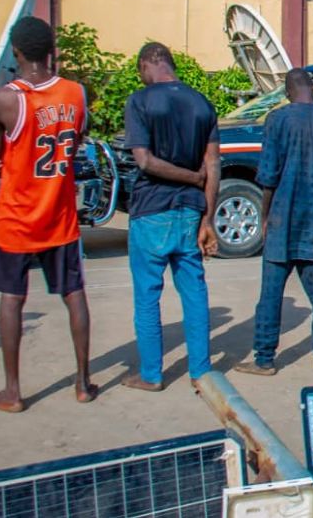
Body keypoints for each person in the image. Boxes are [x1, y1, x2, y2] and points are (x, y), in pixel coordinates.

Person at [0, 17, 96, 412]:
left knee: (12, 300)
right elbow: (76, 137)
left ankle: (12, 392)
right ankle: (83, 383)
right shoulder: (77, 93)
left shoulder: (2, 99)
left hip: (16, 218)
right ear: (52, 51)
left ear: (16, 52)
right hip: (60, 217)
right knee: (73, 295)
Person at [121, 42, 220, 391]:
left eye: (140, 71)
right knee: (194, 291)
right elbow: (212, 164)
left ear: (149, 63)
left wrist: (190, 178)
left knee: (147, 295)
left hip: (151, 210)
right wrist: (207, 219)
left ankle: (151, 374)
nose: (142, 78)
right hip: (191, 212)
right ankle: (201, 371)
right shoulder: (202, 104)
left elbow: (144, 161)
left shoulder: (140, 101)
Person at [234, 68, 313, 376]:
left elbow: (268, 175)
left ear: (287, 92)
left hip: (282, 220)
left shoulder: (277, 120)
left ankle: (264, 358)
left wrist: (265, 217)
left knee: (270, 294)